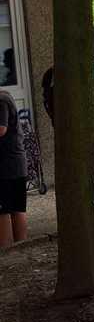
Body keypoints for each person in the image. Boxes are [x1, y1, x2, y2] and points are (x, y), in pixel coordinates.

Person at [0, 89, 27, 247]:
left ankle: (7, 251)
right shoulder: (6, 96)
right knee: (17, 208)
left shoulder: (1, 101)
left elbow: (1, 129)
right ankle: (21, 249)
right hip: (15, 165)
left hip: (6, 168)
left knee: (4, 211)